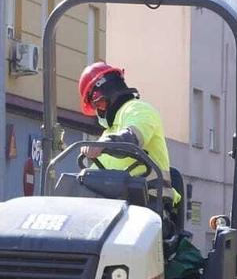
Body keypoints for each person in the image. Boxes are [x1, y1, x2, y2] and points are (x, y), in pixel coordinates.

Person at [76, 62, 180, 212]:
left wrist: (105, 144)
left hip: (147, 205)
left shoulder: (139, 110)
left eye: (99, 104)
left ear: (110, 93)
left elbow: (132, 138)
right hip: (113, 206)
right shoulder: (109, 132)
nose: (98, 111)